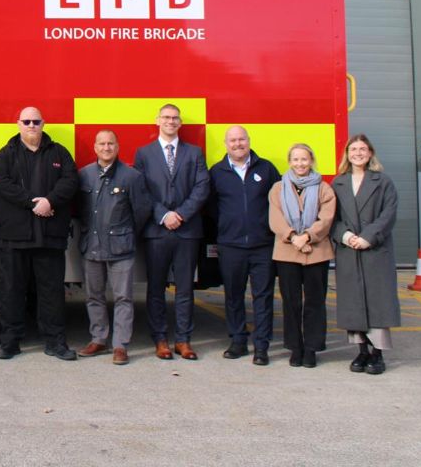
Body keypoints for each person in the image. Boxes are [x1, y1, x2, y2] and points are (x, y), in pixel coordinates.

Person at [0, 107, 79, 361]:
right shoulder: (6, 154)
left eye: (36, 121)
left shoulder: (59, 153)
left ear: (43, 124)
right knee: (11, 291)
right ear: (18, 124)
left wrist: (50, 201)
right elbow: (2, 182)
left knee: (51, 292)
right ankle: (10, 342)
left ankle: (55, 342)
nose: (31, 125)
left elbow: (70, 180)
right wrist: (33, 203)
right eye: (26, 121)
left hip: (49, 236)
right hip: (14, 237)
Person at [134, 103, 210, 360]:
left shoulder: (195, 153)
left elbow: (202, 187)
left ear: (180, 123)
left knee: (185, 288)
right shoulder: (143, 154)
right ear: (157, 121)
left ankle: (184, 340)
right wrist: (163, 215)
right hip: (157, 230)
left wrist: (181, 214)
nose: (170, 121)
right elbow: (142, 190)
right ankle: (160, 339)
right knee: (155, 288)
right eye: (166, 117)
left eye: (175, 118)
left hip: (187, 230)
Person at [208, 125, 281, 365]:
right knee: (233, 295)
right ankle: (238, 340)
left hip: (263, 244)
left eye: (241, 139)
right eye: (233, 140)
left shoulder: (266, 168)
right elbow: (211, 207)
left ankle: (262, 346)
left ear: (249, 141)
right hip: (231, 245)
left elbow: (279, 203)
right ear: (226, 144)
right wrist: (225, 229)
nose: (238, 144)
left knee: (262, 296)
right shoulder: (217, 172)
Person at [76, 130, 150, 365]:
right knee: (94, 296)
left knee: (123, 298)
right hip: (92, 245)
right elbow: (79, 210)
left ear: (117, 147)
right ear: (95, 148)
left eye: (111, 144)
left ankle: (120, 345)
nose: (106, 148)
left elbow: (141, 211)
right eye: (102, 144)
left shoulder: (131, 177)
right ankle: (98, 339)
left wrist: (125, 233)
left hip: (121, 247)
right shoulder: (84, 175)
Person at [331, 134, 401, 375]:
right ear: (347, 154)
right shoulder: (338, 183)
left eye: (362, 149)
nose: (358, 153)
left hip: (374, 250)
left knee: (376, 302)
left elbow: (388, 214)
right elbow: (333, 218)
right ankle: (361, 351)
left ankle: (377, 355)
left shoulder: (383, 182)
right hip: (349, 251)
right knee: (354, 303)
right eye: (353, 149)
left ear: (370, 153)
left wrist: (367, 237)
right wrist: (346, 236)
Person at [269, 143, 336, 368]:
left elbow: (326, 219)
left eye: (304, 159)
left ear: (312, 161)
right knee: (291, 302)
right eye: (296, 160)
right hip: (287, 252)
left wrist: (306, 237)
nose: (300, 164)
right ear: (289, 162)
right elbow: (275, 218)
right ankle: (295, 348)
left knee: (315, 302)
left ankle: (311, 349)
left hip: (316, 252)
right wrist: (293, 237)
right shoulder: (278, 188)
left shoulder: (324, 188)